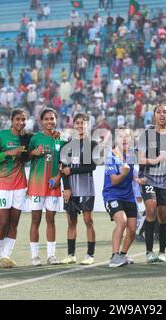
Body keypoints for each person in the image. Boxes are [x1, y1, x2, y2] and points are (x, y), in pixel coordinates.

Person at [137, 103, 166, 263]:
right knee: (151, 208)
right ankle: (149, 252)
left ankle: (162, 251)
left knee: (163, 216)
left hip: (165, 180)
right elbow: (140, 158)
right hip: (148, 178)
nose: (162, 114)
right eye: (159, 112)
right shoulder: (145, 135)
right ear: (154, 115)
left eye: (165, 112)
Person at [0, 109, 29, 268]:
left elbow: (33, 152)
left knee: (14, 223)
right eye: (18, 119)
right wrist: (8, 153)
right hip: (2, 184)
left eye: (23, 120)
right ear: (12, 120)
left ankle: (6, 256)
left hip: (19, 185)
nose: (21, 122)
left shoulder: (26, 138)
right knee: (3, 221)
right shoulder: (1, 136)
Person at [28, 108, 65, 266]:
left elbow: (64, 163)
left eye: (52, 119)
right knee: (35, 220)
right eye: (47, 119)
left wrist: (59, 176)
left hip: (53, 186)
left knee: (51, 220)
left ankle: (51, 256)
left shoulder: (60, 140)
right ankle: (35, 257)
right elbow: (25, 157)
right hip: (36, 185)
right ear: (41, 121)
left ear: (56, 120)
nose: (50, 121)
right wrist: (33, 153)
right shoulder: (35, 138)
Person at [60, 113, 98, 265]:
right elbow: (63, 168)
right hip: (71, 189)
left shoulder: (92, 144)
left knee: (88, 220)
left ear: (87, 125)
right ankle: (71, 255)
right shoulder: (67, 144)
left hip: (86, 188)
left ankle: (90, 255)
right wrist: (66, 188)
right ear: (73, 125)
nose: (80, 126)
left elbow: (92, 167)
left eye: (83, 123)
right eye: (77, 123)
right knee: (71, 222)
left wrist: (73, 171)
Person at [103, 127, 137, 267]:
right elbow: (115, 180)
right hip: (112, 195)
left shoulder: (131, 155)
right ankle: (114, 256)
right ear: (116, 140)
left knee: (133, 229)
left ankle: (123, 255)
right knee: (121, 221)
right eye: (120, 136)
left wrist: (136, 178)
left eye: (127, 136)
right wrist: (124, 173)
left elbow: (131, 173)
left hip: (129, 197)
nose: (124, 139)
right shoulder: (110, 155)